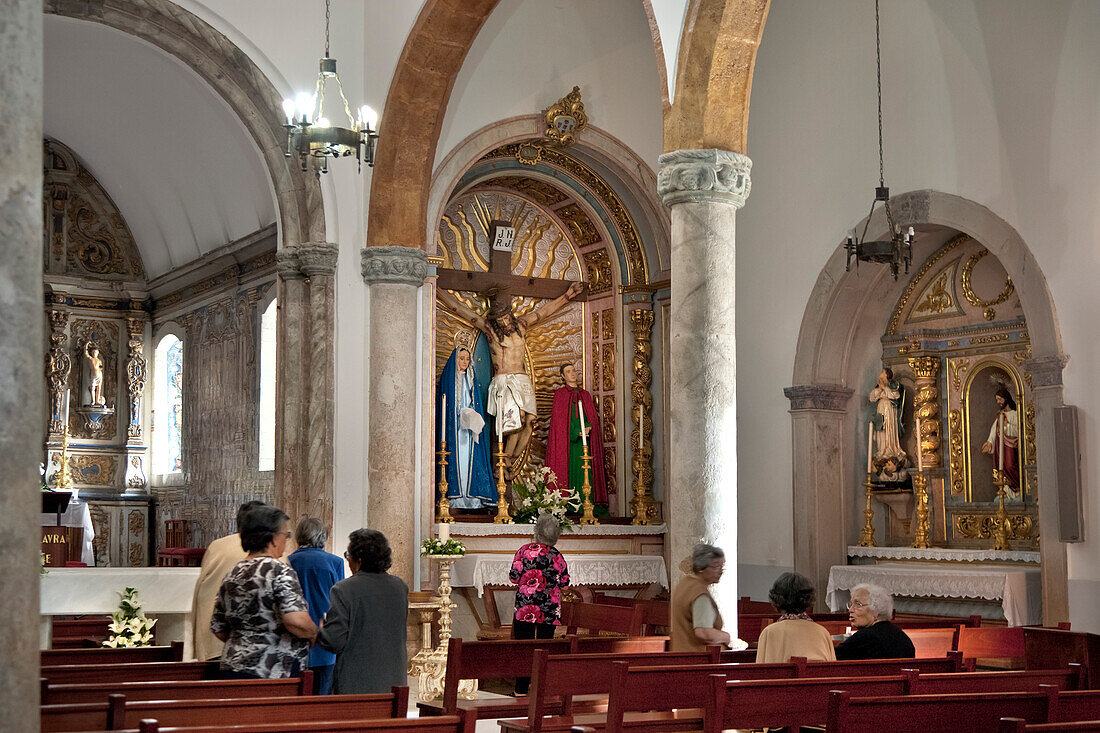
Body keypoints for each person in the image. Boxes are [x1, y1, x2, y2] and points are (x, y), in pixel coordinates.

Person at [437, 281, 583, 475]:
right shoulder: (489, 330)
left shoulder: (521, 325)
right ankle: (502, 463)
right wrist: (437, 290)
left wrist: (567, 297)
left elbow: (544, 311)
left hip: (522, 381)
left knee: (530, 422)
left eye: (505, 317)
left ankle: (509, 461)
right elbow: (462, 310)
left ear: (510, 314)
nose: (503, 321)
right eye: (499, 318)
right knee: (516, 422)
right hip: (504, 381)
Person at [211, 506, 317, 678]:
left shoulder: (233, 573)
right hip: (272, 671)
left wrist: (245, 644)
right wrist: (313, 632)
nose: (286, 541)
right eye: (286, 535)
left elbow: (218, 627)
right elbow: (295, 621)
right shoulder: (279, 571)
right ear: (273, 538)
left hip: (233, 667)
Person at [317, 529, 409, 694]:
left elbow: (335, 641)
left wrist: (320, 630)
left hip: (356, 687)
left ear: (358, 560)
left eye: (348, 556)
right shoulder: (399, 587)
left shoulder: (343, 590)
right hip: (394, 686)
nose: (348, 561)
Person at [190, 500, 264, 661]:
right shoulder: (267, 549)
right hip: (253, 650)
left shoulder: (217, 547)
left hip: (214, 640)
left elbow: (201, 591)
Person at [509, 513, 570, 694]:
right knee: (544, 648)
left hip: (524, 608)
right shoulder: (557, 556)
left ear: (536, 531)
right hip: (549, 609)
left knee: (523, 648)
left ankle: (520, 689)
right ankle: (541, 689)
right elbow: (565, 583)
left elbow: (513, 578)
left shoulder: (523, 551)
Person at [286, 517, 344, 694]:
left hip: (295, 637)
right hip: (324, 639)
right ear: (323, 536)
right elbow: (339, 603)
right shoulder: (335, 562)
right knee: (323, 697)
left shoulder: (288, 562)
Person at [436, 337, 496, 508]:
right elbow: (446, 405)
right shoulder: (449, 380)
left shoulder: (471, 379)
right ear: (456, 359)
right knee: (456, 459)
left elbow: (474, 401)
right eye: (461, 358)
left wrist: (472, 416)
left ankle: (471, 498)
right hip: (455, 429)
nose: (464, 362)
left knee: (469, 459)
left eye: (467, 359)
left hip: (469, 431)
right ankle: (455, 498)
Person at [545, 362, 607, 505]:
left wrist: (588, 427)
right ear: (562, 376)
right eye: (568, 371)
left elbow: (591, 418)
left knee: (585, 470)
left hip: (584, 442)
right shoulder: (560, 395)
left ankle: (588, 503)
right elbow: (559, 423)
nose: (572, 374)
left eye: (573, 370)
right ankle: (569, 505)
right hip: (568, 444)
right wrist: (575, 431)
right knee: (570, 471)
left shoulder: (585, 395)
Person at [755, 572, 835, 663]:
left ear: (776, 599)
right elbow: (831, 671)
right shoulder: (822, 632)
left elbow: (761, 672)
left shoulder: (769, 632)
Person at [671, 543, 731, 652]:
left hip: (680, 653)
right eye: (716, 566)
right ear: (700, 568)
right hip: (698, 659)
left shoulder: (684, 583)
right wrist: (727, 637)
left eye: (722, 566)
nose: (720, 571)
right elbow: (703, 632)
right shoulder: (699, 594)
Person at [834, 583, 915, 660]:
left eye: (858, 604)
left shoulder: (866, 637)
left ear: (876, 611)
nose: (850, 610)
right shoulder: (902, 636)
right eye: (851, 604)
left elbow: (830, 658)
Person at [981, 387, 1020, 498]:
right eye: (997, 400)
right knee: (1002, 468)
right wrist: (989, 442)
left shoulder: (1015, 414)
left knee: (1011, 466)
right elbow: (994, 430)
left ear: (1006, 398)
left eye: (999, 399)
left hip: (1012, 447)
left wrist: (1007, 424)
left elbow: (1019, 430)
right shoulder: (1000, 416)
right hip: (1001, 448)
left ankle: (1016, 491)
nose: (998, 402)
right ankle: (1007, 492)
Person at [869, 367, 906, 468]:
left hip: (889, 410)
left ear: (886, 375)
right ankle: (882, 450)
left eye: (882, 372)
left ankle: (890, 448)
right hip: (881, 408)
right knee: (881, 430)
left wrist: (885, 388)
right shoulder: (879, 387)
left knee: (888, 429)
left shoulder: (893, 385)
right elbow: (872, 398)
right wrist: (880, 388)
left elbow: (895, 396)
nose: (880, 374)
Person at [83, 341, 105, 407]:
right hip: (93, 375)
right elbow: (85, 353)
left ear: (98, 353)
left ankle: (97, 401)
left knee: (98, 388)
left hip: (99, 375)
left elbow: (101, 367)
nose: (94, 353)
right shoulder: (90, 359)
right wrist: (86, 345)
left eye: (95, 352)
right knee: (92, 387)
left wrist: (101, 368)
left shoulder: (99, 360)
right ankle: (93, 401)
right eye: (93, 352)